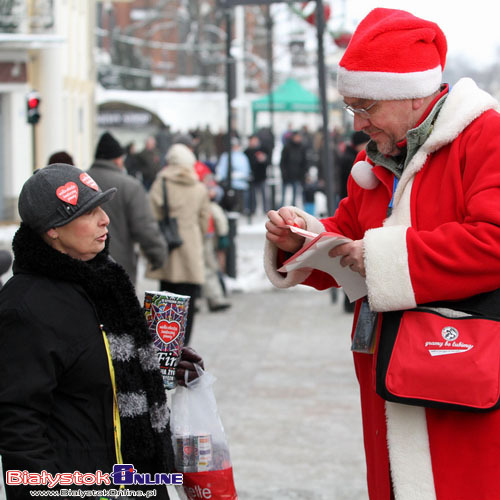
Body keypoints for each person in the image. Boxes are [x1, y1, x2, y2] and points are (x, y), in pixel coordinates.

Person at [264, 8, 500, 499]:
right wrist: (302, 238)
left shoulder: (485, 136)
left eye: (365, 105)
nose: (358, 123)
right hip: (389, 364)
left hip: (459, 363)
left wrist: (382, 256)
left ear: (412, 92)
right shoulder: (377, 156)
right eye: (352, 107)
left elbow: (494, 240)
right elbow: (349, 233)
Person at [0, 163, 204, 499]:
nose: (105, 219)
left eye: (101, 207)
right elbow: (19, 426)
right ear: (53, 229)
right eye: (89, 211)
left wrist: (154, 362)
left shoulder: (104, 280)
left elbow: (102, 359)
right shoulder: (25, 307)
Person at [147, 144, 210, 345]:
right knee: (189, 302)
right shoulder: (199, 188)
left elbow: (152, 216)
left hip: (167, 248)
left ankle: (165, 347)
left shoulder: (161, 184)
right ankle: (184, 346)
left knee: (165, 299)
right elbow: (203, 220)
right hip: (190, 247)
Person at [88, 131, 167, 285]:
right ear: (118, 160)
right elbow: (144, 227)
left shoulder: (81, 182)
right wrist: (158, 255)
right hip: (120, 266)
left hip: (84, 263)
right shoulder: (130, 186)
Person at [216, 137, 251, 214]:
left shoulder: (242, 157)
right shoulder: (225, 156)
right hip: (227, 184)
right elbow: (221, 169)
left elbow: (246, 171)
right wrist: (220, 176)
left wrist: (237, 175)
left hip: (240, 185)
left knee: (238, 206)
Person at [337, 131, 370, 200]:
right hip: (349, 198)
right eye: (366, 144)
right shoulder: (351, 160)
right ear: (360, 144)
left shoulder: (349, 155)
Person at [279, 130, 308, 207]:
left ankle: (293, 208)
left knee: (295, 194)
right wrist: (283, 173)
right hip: (287, 175)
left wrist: (303, 174)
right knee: (284, 194)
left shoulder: (302, 147)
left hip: (297, 175)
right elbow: (282, 162)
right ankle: (281, 208)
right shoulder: (287, 147)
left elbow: (304, 162)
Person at [244, 134, 269, 215]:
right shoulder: (247, 151)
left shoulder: (263, 149)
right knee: (252, 196)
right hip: (252, 177)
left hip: (262, 176)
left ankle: (266, 210)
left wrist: (264, 159)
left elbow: (268, 162)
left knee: (264, 194)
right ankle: (252, 210)